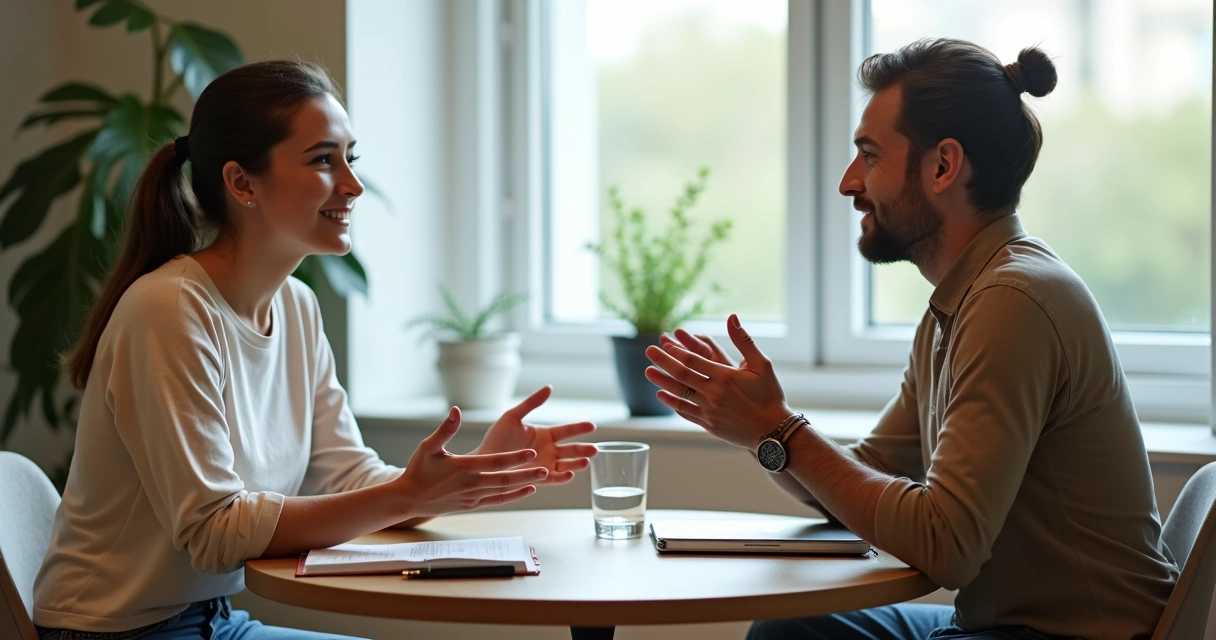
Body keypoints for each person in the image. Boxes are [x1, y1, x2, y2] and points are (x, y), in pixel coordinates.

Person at [33, 60, 597, 640]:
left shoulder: (297, 306)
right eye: (323, 160)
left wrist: (471, 473)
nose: (351, 185)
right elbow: (214, 531)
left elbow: (349, 479)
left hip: (215, 623)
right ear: (241, 182)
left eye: (350, 158)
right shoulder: (170, 310)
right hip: (113, 631)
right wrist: (409, 493)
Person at [644, 39, 1178, 640]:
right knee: (792, 629)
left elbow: (946, 546)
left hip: (1073, 637)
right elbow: (862, 475)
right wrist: (758, 428)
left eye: (869, 156)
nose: (849, 183)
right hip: (1003, 625)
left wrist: (779, 429)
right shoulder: (963, 299)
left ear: (943, 166)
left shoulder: (1012, 302)